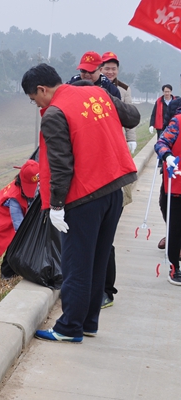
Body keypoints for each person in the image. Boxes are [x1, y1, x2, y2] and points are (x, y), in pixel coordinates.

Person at [22, 63, 139, 343]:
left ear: (42, 89)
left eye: (33, 99)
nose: (35, 104)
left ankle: (69, 327)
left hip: (84, 197)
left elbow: (60, 165)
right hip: (114, 190)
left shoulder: (54, 114)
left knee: (76, 262)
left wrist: (58, 205)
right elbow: (132, 117)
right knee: (98, 259)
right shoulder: (97, 94)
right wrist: (105, 97)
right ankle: (89, 322)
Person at [100, 51, 138, 308]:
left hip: (117, 150)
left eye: (113, 68)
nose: (110, 72)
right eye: (107, 68)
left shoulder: (122, 91)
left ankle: (105, 289)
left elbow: (129, 118)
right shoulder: (88, 89)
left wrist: (131, 139)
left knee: (106, 235)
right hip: (100, 154)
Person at [0, 159, 40, 279]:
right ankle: (7, 273)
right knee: (15, 242)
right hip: (2, 217)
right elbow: (19, 226)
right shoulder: (14, 198)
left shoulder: (38, 183)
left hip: (19, 212)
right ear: (22, 183)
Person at [154, 108, 181, 285]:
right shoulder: (177, 121)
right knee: (176, 227)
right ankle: (174, 266)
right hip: (177, 184)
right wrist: (168, 155)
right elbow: (161, 143)